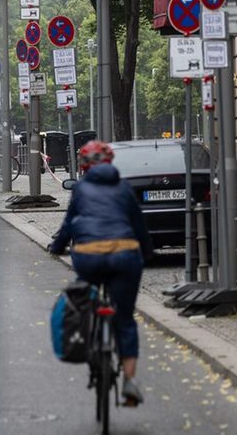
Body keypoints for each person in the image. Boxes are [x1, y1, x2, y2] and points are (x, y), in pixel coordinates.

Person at [48, 139, 153, 407]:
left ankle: (89, 330)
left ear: (84, 166)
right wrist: (147, 253)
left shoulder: (81, 189)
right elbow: (138, 225)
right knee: (126, 319)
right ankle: (129, 381)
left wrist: (57, 247)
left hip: (89, 256)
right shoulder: (124, 188)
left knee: (85, 296)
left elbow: (69, 224)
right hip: (126, 256)